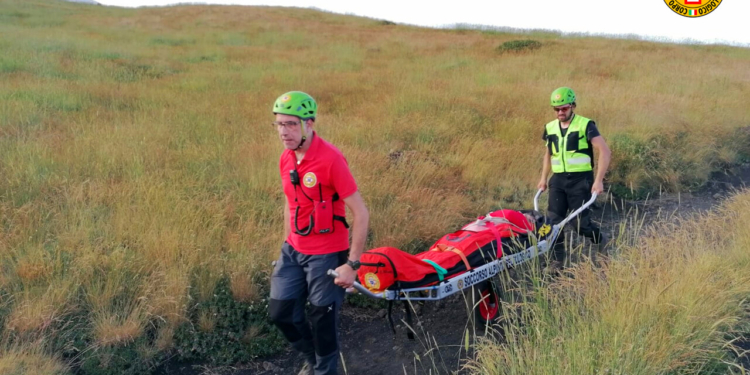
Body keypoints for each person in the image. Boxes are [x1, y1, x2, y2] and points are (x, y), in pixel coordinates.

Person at [268, 91, 369, 375]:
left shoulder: (331, 159)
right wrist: (288, 243)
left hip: (327, 254)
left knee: (322, 320)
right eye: (278, 124)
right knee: (281, 313)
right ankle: (313, 362)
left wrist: (351, 265)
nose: (283, 131)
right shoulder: (286, 158)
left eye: (290, 124)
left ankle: (325, 371)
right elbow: (290, 202)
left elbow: (360, 213)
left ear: (308, 124)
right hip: (293, 250)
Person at [537, 87, 611, 271]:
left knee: (579, 225)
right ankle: (557, 261)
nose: (560, 112)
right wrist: (543, 178)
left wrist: (599, 180)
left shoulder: (586, 125)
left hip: (581, 181)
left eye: (564, 108)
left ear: (572, 106)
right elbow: (548, 154)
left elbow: (604, 151)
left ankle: (601, 240)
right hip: (558, 180)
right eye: (556, 109)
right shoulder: (550, 128)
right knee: (553, 223)